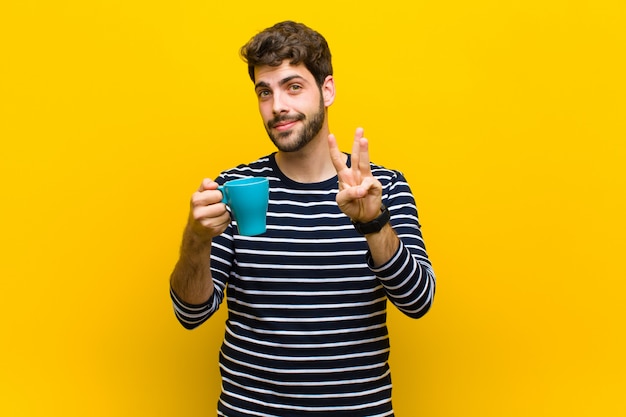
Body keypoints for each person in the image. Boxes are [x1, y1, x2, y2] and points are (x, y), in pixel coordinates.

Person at [169, 20, 436, 417]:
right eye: (265, 91)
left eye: (293, 86)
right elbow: (191, 314)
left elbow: (418, 301)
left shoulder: (384, 187)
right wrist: (196, 239)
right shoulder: (233, 189)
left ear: (327, 90)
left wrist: (374, 223)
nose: (277, 105)